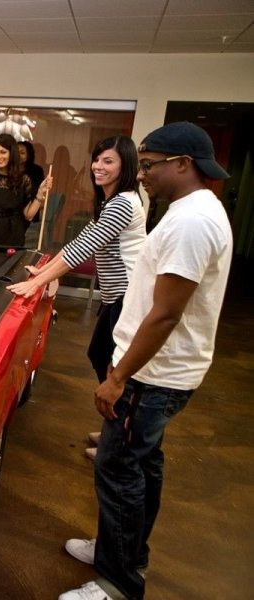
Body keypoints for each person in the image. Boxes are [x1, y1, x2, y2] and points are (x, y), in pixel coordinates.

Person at [59, 122, 233, 600]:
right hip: (161, 372)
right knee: (141, 466)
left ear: (184, 164)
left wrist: (118, 376)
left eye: (150, 164)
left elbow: (165, 314)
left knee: (118, 469)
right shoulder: (193, 212)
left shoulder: (192, 222)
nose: (142, 174)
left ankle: (117, 583)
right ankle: (122, 553)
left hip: (153, 376)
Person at [9, 136, 145, 380]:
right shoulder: (111, 201)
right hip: (116, 296)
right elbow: (80, 241)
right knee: (99, 354)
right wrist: (43, 271)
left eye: (108, 161)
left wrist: (36, 283)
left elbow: (82, 250)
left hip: (126, 295)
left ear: (125, 165)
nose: (98, 166)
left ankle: (120, 401)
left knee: (112, 362)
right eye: (96, 160)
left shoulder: (123, 203)